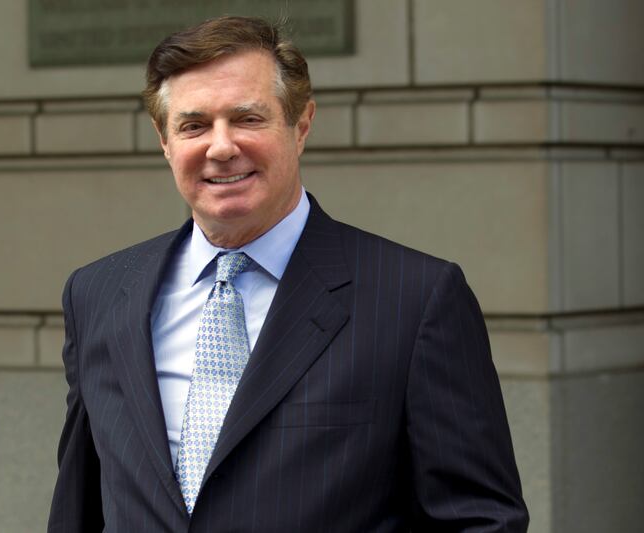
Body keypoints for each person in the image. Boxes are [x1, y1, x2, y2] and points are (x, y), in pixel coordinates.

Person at [48, 15, 528, 533]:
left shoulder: (416, 300)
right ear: (164, 140)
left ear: (301, 126)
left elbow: (481, 520)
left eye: (247, 118)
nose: (221, 147)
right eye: (193, 125)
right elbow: (78, 508)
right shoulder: (96, 294)